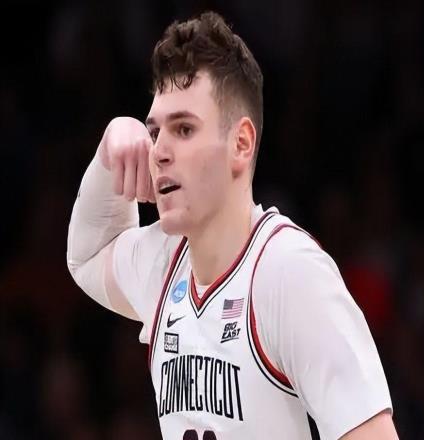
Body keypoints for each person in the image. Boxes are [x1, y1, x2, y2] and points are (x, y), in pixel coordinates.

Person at [67, 11, 398, 440]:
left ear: (241, 144)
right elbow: (87, 256)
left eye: (184, 129)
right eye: (154, 132)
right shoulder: (164, 264)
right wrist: (112, 143)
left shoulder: (289, 273)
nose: (159, 150)